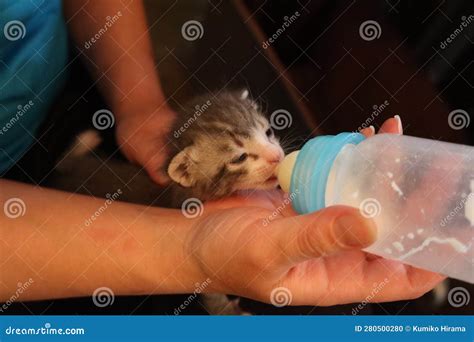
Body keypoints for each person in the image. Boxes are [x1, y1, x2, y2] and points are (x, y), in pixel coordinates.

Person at [0, 0, 442, 306]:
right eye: (239, 159)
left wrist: (137, 104)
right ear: (188, 175)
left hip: (54, 83)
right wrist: (197, 256)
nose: (275, 156)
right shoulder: (188, 181)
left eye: (268, 133)